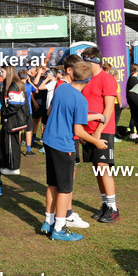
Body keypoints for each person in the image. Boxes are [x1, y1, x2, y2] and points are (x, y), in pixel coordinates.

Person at [39, 61, 107, 243]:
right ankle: (59, 228)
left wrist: (96, 116)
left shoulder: (61, 88)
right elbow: (78, 131)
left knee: (52, 184)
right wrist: (96, 141)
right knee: (65, 189)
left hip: (49, 142)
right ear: (89, 79)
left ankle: (48, 221)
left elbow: (57, 111)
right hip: (63, 146)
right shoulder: (80, 99)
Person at [78, 46, 121, 224]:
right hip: (87, 131)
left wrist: (97, 132)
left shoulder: (107, 79)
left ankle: (113, 207)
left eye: (85, 62)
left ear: (94, 62)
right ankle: (105, 204)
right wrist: (82, 131)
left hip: (103, 130)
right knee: (97, 169)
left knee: (103, 167)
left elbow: (109, 108)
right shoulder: (85, 80)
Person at [0, 65, 26, 176]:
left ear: (8, 72)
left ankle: (13, 168)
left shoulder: (13, 86)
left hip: (13, 120)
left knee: (11, 144)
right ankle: (7, 164)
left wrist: (5, 113)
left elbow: (14, 105)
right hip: (11, 120)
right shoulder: (12, 84)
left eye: (2, 72)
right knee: (6, 142)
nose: (1, 74)